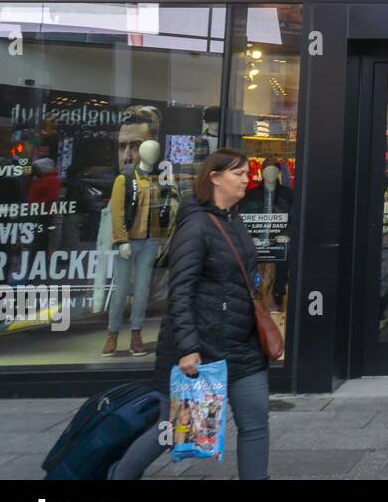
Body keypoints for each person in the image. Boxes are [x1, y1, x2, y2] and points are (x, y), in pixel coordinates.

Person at [111, 148, 271, 479]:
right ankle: (121, 475)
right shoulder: (196, 225)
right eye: (238, 174)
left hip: (243, 344)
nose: (246, 179)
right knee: (176, 428)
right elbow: (180, 290)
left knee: (255, 421)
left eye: (246, 173)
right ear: (214, 178)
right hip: (205, 348)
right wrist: (188, 347)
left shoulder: (235, 219)